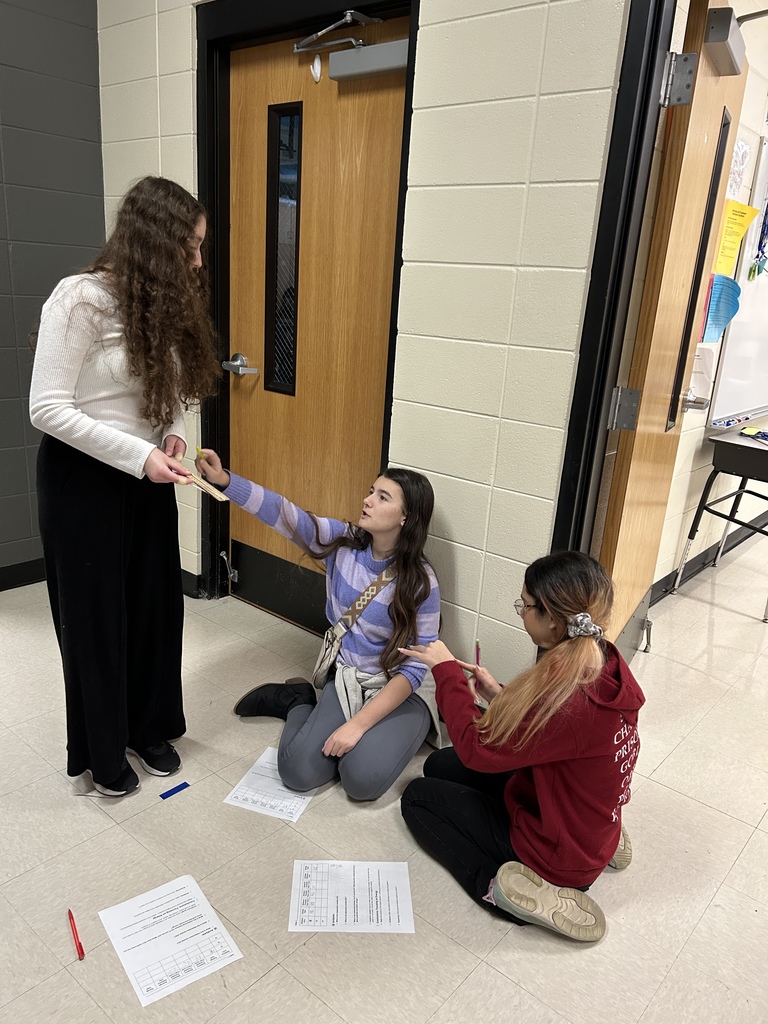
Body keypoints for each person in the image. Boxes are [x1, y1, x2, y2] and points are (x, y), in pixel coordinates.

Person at [29, 176, 220, 797]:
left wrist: (173, 434)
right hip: (83, 481)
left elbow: (165, 394)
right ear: (153, 243)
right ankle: (101, 752)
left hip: (146, 475)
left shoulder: (157, 301)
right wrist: (139, 454)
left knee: (152, 612)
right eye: (189, 247)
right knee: (95, 621)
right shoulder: (78, 300)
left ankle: (148, 727)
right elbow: (48, 408)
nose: (197, 261)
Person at [400, 551, 644, 942]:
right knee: (439, 765)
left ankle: (503, 891)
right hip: (580, 814)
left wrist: (444, 671)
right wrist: (499, 696)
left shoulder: (566, 700)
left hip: (557, 852)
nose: (521, 612)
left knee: (416, 797)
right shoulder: (606, 661)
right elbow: (552, 732)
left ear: (550, 617)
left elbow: (477, 749)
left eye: (525, 605)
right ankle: (600, 835)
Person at [195, 452, 441, 801]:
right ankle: (298, 701)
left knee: (361, 780)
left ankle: (382, 734)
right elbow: (285, 514)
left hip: (401, 691)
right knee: (298, 772)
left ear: (406, 517)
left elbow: (416, 668)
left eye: (382, 498)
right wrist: (225, 482)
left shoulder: (421, 582)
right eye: (371, 491)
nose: (367, 501)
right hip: (348, 679)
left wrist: (357, 726)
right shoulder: (343, 543)